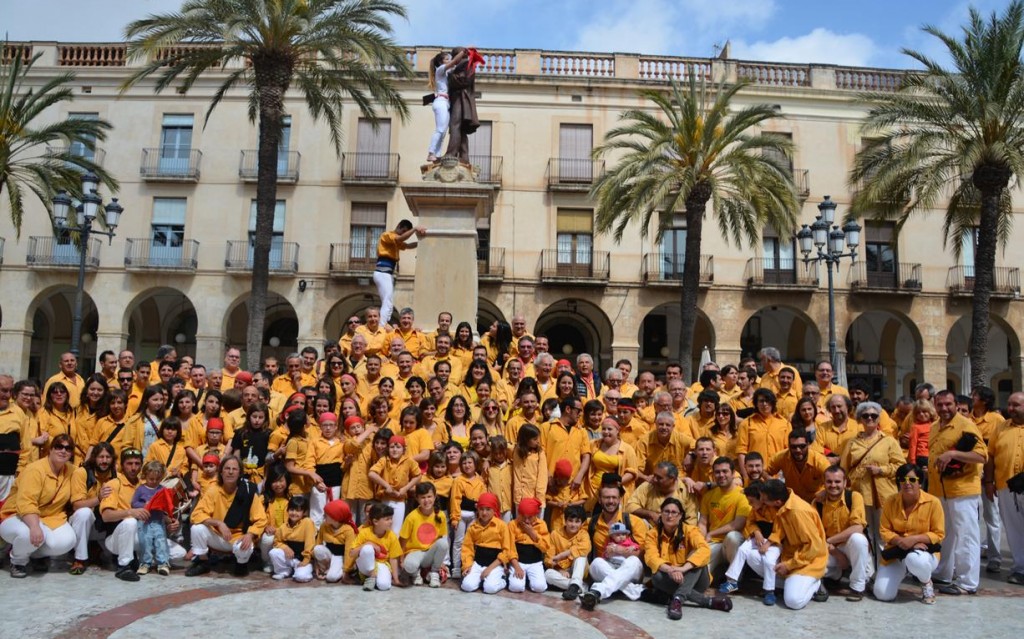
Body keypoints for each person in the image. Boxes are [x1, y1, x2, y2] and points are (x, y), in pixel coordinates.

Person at [928, 389, 987, 595]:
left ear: (955, 404)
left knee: (966, 536)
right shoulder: (935, 426)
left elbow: (981, 455)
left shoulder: (966, 425)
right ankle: (942, 574)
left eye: (948, 404)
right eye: (940, 404)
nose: (944, 408)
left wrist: (953, 453)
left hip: (962, 489)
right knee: (945, 535)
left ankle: (968, 582)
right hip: (940, 489)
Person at [0, 433, 77, 578]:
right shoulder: (35, 469)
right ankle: (18, 561)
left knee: (68, 541)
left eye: (68, 448)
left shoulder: (71, 471)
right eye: (59, 446)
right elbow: (26, 501)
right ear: (51, 449)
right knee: (27, 534)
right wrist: (34, 526)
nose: (63, 451)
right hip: (17, 516)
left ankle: (34, 555)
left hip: (50, 518)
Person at [643, 497, 733, 619]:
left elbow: (704, 549)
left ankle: (677, 597)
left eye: (674, 512)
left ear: (680, 516)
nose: (670, 515)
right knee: (656, 576)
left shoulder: (690, 530)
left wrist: (683, 569)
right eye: (666, 511)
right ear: (661, 514)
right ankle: (691, 600)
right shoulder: (652, 534)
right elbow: (651, 557)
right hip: (669, 579)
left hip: (695, 580)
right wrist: (671, 570)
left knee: (698, 560)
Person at [840, 401, 904, 565]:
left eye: (874, 416)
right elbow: (843, 469)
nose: (870, 418)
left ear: (879, 419)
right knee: (865, 534)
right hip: (860, 495)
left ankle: (886, 567)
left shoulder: (889, 441)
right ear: (860, 419)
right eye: (865, 416)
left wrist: (881, 470)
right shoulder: (852, 443)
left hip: (883, 495)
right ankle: (868, 570)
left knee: (884, 533)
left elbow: (901, 467)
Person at [874, 463, 945, 604]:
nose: (907, 483)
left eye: (912, 480)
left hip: (924, 554)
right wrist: (901, 541)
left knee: (915, 559)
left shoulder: (933, 502)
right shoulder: (890, 501)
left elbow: (938, 534)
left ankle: (926, 582)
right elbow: (884, 530)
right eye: (903, 480)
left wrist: (913, 540)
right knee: (883, 594)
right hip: (896, 552)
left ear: (920, 482)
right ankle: (903, 571)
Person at [186, 456, 267, 577]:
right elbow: (196, 514)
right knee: (197, 528)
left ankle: (241, 564)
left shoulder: (248, 492)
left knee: (246, 544)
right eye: (227, 468)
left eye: (234, 469)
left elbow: (261, 519)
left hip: (238, 538)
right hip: (217, 536)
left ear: (240, 472)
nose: (230, 472)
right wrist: (218, 523)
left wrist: (250, 534)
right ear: (221, 472)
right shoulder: (213, 490)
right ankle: (203, 562)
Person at [984, 391, 1024, 585]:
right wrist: (989, 483)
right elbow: (990, 457)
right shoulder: (1000, 428)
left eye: (1016, 405)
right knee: (1014, 529)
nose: (1011, 409)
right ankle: (1020, 568)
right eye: (1009, 404)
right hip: (1006, 487)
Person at [816, 465, 872, 601]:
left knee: (858, 539)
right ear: (824, 483)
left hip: (850, 546)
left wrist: (829, 542)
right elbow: (815, 534)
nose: (833, 485)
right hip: (830, 549)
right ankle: (836, 575)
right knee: (810, 568)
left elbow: (857, 527)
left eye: (837, 481)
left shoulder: (854, 497)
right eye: (829, 482)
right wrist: (835, 552)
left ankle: (857, 588)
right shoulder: (818, 502)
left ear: (845, 483)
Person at [68, 442, 117, 575]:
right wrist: (98, 499)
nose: (104, 461)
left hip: (104, 523)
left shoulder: (116, 474)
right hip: (80, 523)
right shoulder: (81, 473)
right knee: (84, 513)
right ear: (94, 457)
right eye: (101, 457)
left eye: (108, 457)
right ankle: (80, 558)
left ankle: (99, 549)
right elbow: (76, 505)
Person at [699, 456, 750, 576]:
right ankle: (718, 573)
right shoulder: (708, 495)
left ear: (733, 473)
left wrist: (711, 533)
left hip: (733, 543)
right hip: (714, 543)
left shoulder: (743, 495)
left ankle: (735, 579)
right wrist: (700, 541)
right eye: (717, 472)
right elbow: (702, 522)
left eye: (725, 471)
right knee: (699, 573)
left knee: (733, 537)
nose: (721, 475)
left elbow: (737, 524)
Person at [373, 222, 426, 323]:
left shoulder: (396, 240)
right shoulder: (387, 235)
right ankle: (382, 325)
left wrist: (422, 242)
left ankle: (384, 323)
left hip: (386, 273)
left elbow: (408, 245)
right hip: (382, 272)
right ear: (398, 226)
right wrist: (415, 229)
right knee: (387, 301)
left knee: (389, 301)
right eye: (403, 231)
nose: (403, 234)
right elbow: (399, 239)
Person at [460, 492, 512, 594]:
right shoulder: (473, 527)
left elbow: (506, 551)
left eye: (488, 509)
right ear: (477, 510)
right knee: (467, 586)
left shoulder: (502, 526)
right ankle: (481, 580)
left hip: (495, 565)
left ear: (494, 510)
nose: (484, 513)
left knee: (489, 589)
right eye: (481, 509)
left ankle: (502, 580)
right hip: (478, 563)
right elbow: (467, 548)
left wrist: (489, 569)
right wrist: (467, 565)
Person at [368, 434, 421, 534]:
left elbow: (418, 476)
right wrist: (386, 486)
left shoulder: (409, 461)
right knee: (383, 528)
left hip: (399, 500)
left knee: (396, 530)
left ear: (404, 450)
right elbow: (371, 473)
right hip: (385, 499)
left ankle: (393, 548)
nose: (395, 450)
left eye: (398, 447)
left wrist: (406, 488)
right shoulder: (384, 460)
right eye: (392, 447)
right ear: (388, 449)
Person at [767, 428, 829, 504]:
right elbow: (764, 471)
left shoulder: (819, 461)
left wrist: (825, 491)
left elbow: (834, 478)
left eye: (802, 446)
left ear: (808, 444)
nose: (798, 450)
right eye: (794, 447)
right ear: (788, 446)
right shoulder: (782, 457)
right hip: (792, 502)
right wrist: (772, 483)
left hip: (816, 501)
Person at [425, 49, 467, 162]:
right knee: (440, 130)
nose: (449, 61)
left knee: (443, 132)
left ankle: (436, 155)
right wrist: (464, 51)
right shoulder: (440, 70)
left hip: (445, 103)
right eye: (447, 59)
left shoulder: (447, 73)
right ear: (441, 62)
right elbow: (454, 63)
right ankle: (431, 152)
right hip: (441, 102)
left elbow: (456, 66)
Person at [443, 46, 483, 164]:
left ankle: (451, 153)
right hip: (459, 98)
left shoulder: (467, 64)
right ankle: (464, 156)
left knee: (455, 125)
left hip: (462, 98)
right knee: (461, 129)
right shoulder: (465, 65)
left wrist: (450, 75)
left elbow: (463, 80)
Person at [351, 502, 403, 591]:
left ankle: (373, 579)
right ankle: (371, 576)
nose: (391, 522)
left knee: (384, 586)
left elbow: (393, 559)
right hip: (366, 565)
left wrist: (396, 579)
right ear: (375, 521)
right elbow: (352, 553)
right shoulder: (364, 532)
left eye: (391, 518)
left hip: (382, 564)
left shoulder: (392, 536)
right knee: (367, 549)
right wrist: (367, 544)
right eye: (387, 519)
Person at [132, 460, 172, 576]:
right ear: (145, 476)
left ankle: (163, 563)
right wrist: (144, 505)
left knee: (161, 541)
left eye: (157, 479)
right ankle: (145, 563)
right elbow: (134, 503)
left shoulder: (162, 489)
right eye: (151, 479)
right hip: (144, 521)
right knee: (145, 542)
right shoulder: (141, 489)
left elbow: (167, 505)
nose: (154, 482)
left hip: (158, 521)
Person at [545, 504, 592, 600]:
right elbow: (549, 558)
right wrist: (559, 570)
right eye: (570, 521)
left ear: (582, 523)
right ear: (565, 521)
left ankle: (574, 586)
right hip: (562, 571)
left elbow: (586, 548)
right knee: (548, 574)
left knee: (581, 557)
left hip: (578, 569)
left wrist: (563, 555)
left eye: (577, 522)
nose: (573, 525)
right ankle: (579, 586)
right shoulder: (555, 534)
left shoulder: (584, 534)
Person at [507, 496, 550, 593]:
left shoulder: (542, 524)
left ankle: (528, 578)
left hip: (535, 562)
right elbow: (509, 549)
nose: (526, 521)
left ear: (536, 515)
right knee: (516, 587)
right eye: (523, 516)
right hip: (518, 562)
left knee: (540, 587)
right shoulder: (512, 525)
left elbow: (545, 548)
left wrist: (532, 533)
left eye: (529, 517)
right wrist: (517, 567)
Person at [269, 494, 316, 582]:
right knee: (273, 552)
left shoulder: (307, 523)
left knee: (301, 577)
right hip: (291, 558)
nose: (294, 513)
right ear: (287, 510)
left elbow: (310, 544)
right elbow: (276, 542)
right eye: (291, 509)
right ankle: (284, 571)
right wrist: (285, 547)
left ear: (304, 512)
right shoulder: (283, 527)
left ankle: (304, 570)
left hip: (304, 559)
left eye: (298, 510)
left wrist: (306, 560)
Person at [312, 499, 358, 583]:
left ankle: (340, 570)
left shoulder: (348, 530)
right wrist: (316, 566)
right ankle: (326, 569)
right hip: (329, 554)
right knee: (317, 549)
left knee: (331, 578)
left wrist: (346, 572)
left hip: (340, 557)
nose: (324, 516)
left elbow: (349, 552)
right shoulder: (324, 526)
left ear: (336, 517)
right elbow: (318, 543)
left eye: (326, 514)